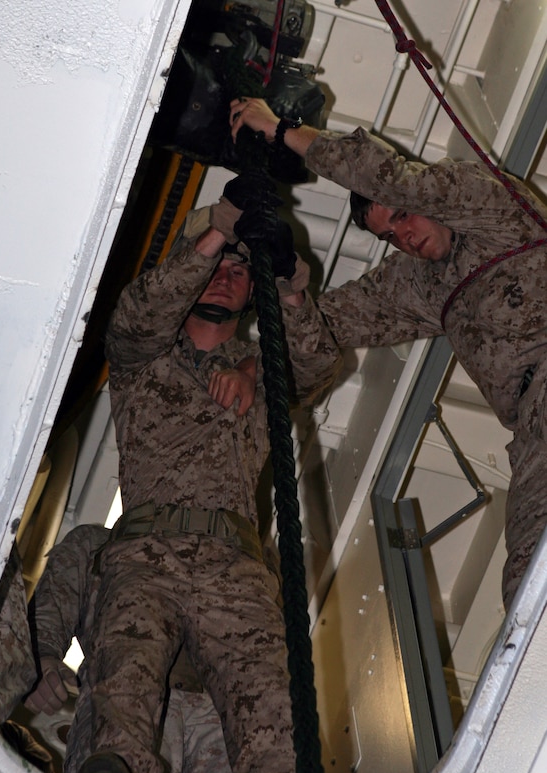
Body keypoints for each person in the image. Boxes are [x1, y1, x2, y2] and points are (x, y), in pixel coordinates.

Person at [65, 179, 341, 773]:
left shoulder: (263, 369)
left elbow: (317, 360)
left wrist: (290, 278)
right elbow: (134, 316)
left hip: (234, 567)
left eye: (240, 271)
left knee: (270, 705)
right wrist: (217, 228)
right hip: (145, 553)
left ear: (254, 293)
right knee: (127, 671)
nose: (224, 277)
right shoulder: (142, 357)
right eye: (215, 263)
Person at [229, 96, 547, 611]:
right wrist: (265, 312)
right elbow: (331, 322)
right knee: (527, 583)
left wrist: (280, 129)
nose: (406, 237)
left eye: (403, 217)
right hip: (533, 430)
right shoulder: (418, 285)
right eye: (390, 236)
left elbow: (389, 176)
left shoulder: (485, 206)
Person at [23, 522, 257, 773]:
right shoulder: (97, 543)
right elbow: (46, 620)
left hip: (220, 719)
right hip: (124, 702)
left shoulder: (230, 554)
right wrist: (42, 663)